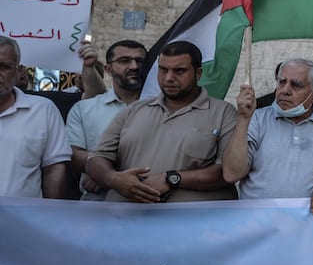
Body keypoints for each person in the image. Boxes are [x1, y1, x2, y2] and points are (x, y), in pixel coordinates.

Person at [86, 40, 237, 202]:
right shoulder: (133, 111)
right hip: (125, 220)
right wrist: (113, 179)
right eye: (163, 70)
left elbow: (228, 172)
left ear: (198, 73)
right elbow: (96, 159)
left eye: (179, 71)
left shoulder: (224, 113)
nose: (169, 77)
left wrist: (172, 179)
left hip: (193, 223)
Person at [221, 59, 313, 215]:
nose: (285, 90)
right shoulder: (256, 119)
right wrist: (243, 119)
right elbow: (231, 174)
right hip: (257, 225)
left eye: (296, 85)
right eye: (281, 82)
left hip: (309, 228)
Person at [66, 39, 146, 201]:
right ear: (108, 69)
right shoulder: (84, 109)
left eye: (140, 61)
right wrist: (108, 174)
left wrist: (103, 174)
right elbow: (73, 156)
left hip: (150, 205)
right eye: (124, 61)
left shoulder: (163, 109)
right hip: (97, 209)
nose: (134, 66)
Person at [0, 35, 70, 198]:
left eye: (4, 67)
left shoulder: (44, 110)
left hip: (21, 221)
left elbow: (55, 168)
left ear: (19, 71)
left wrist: (49, 214)